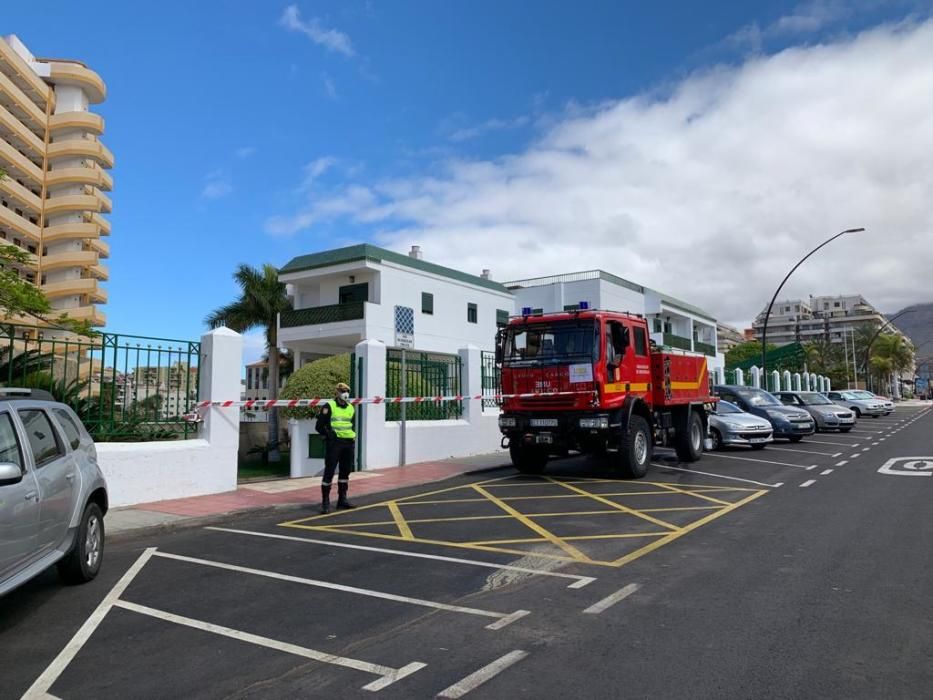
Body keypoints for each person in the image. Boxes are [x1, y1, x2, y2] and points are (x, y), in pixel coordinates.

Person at [316, 382, 357, 514]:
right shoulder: (329, 406)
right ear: (337, 393)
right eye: (342, 391)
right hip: (335, 444)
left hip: (348, 443)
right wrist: (329, 435)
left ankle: (342, 500)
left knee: (345, 472)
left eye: (347, 391)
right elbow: (319, 426)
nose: (345, 394)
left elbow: (351, 424)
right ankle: (325, 502)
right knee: (329, 472)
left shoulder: (351, 407)